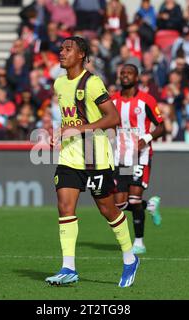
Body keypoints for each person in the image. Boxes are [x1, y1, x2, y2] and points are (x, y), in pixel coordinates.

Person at [45, 37, 140, 287]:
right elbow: (71, 118)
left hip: (94, 157)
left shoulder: (92, 83)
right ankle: (68, 267)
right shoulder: (59, 83)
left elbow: (113, 118)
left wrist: (80, 129)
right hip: (69, 157)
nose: (62, 52)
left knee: (108, 210)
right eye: (61, 48)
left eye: (68, 49)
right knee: (65, 208)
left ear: (81, 55)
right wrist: (61, 132)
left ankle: (130, 258)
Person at [111, 64, 165, 254]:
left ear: (137, 77)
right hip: (119, 156)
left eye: (129, 73)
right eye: (122, 73)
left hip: (139, 156)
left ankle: (139, 242)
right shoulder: (113, 100)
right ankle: (149, 205)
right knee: (118, 203)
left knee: (133, 200)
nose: (125, 76)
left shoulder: (146, 100)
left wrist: (146, 139)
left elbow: (161, 127)